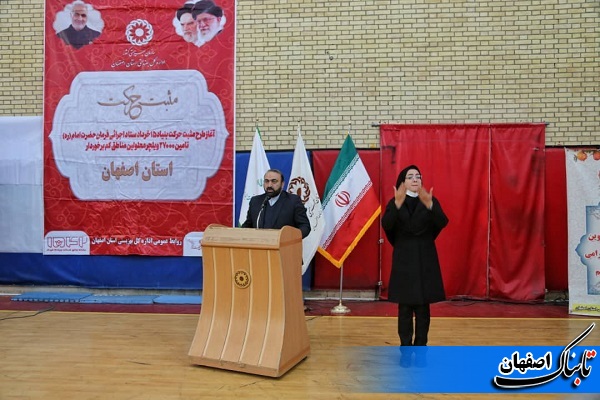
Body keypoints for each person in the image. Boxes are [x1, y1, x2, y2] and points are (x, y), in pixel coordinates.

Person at [381, 165, 449, 347]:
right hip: (404, 259)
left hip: (424, 258)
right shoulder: (395, 201)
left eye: (418, 176)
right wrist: (396, 205)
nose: (415, 179)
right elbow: (387, 226)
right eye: (410, 176)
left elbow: (442, 222)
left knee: (422, 308)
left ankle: (421, 347)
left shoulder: (429, 200)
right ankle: (405, 347)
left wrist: (430, 205)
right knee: (404, 308)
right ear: (403, 182)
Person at [242, 169, 311, 239]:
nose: (269, 185)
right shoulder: (255, 201)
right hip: (259, 244)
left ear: (282, 184)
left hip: (284, 244)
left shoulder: (293, 201)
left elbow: (305, 226)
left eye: (274, 181)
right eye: (266, 181)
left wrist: (290, 238)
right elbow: (247, 225)